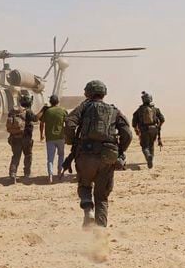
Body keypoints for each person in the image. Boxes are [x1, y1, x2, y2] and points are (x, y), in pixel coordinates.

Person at [64, 80, 132, 227]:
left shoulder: (83, 107)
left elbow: (69, 122)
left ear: (88, 93)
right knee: (101, 198)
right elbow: (127, 134)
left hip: (85, 155)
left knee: (85, 185)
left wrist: (71, 141)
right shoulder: (114, 111)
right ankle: (100, 234)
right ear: (103, 93)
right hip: (107, 157)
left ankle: (88, 210)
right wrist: (120, 151)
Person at [5, 89, 37, 182]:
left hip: (14, 138)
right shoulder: (28, 112)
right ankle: (27, 174)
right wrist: (43, 110)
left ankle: (12, 174)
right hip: (26, 138)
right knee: (28, 155)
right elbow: (35, 119)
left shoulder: (13, 111)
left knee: (16, 156)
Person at [38, 93, 68, 182]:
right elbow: (67, 123)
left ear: (50, 102)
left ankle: (50, 175)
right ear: (58, 102)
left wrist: (41, 134)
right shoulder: (63, 110)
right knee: (61, 155)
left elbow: (41, 123)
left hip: (50, 138)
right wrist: (66, 134)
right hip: (60, 137)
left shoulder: (47, 111)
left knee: (50, 158)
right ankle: (59, 172)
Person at [132, 91, 165, 169]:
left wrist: (136, 130)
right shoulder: (156, 109)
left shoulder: (139, 110)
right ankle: (151, 159)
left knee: (145, 147)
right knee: (151, 145)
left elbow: (134, 123)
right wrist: (158, 127)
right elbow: (162, 119)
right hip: (154, 129)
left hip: (144, 130)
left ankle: (148, 157)